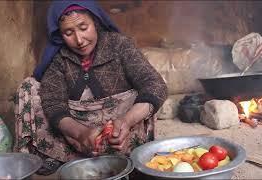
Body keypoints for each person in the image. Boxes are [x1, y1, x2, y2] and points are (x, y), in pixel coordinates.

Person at [14, 0, 167, 176]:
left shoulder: (119, 45)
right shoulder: (59, 58)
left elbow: (155, 84)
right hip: (78, 131)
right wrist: (81, 134)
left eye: (83, 27)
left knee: (150, 87)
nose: (79, 40)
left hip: (122, 126)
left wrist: (126, 121)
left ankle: (128, 151)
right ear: (59, 34)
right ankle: (60, 155)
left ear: (95, 21)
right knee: (29, 87)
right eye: (68, 32)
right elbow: (53, 103)